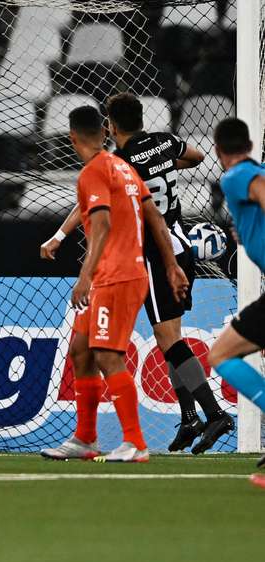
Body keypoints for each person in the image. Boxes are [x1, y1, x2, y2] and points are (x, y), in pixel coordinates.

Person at [42, 92, 233, 454]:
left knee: (169, 341)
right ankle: (191, 416)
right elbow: (196, 156)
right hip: (178, 243)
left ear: (111, 126)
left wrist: (58, 236)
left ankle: (215, 413)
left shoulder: (119, 162)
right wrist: (164, 165)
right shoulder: (163, 143)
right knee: (169, 340)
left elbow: (92, 208)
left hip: (155, 255)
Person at [207, 117, 265, 478]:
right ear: (251, 145)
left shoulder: (236, 176)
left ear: (218, 151)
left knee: (222, 354)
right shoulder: (253, 172)